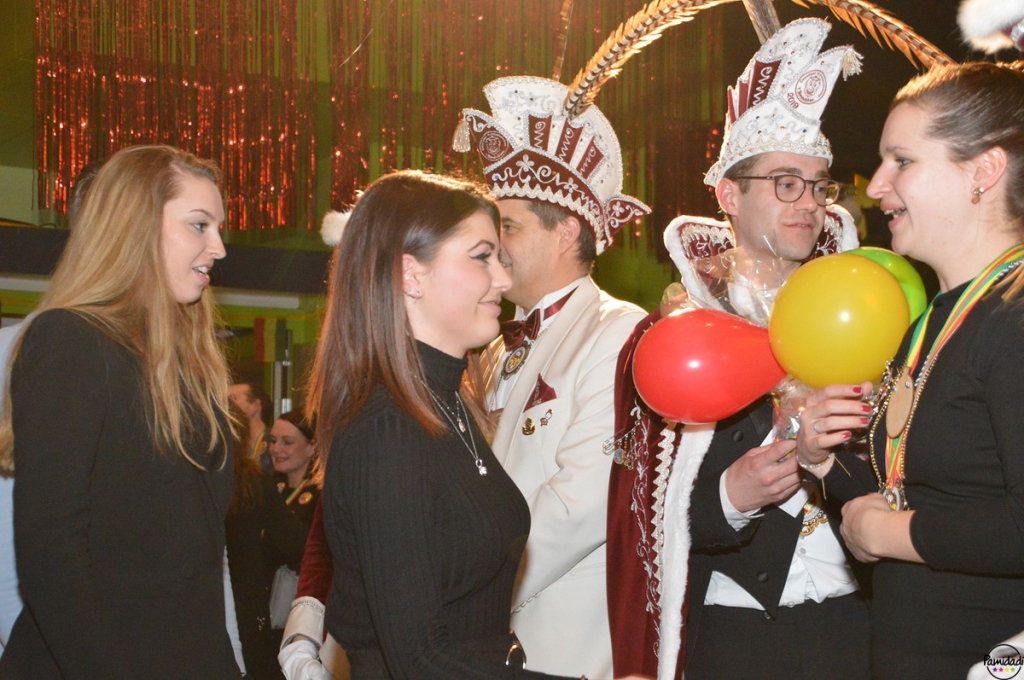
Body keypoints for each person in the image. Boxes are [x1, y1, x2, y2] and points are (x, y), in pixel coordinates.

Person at [306, 169, 647, 680]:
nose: (503, 278)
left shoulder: (447, 402)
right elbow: (420, 659)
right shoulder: (388, 432)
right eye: (481, 256)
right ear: (410, 275)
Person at [605, 19, 868, 680]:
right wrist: (730, 494)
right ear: (729, 193)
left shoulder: (858, 315)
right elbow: (637, 514)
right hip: (735, 634)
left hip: (858, 624)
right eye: (785, 182)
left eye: (819, 184)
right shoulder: (674, 332)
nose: (807, 202)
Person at [796, 60, 1024, 679]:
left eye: (902, 160)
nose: (875, 186)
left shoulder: (1015, 313)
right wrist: (823, 460)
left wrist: (889, 535)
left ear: (984, 171)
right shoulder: (931, 322)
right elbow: (907, 493)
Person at [0, 144, 239, 678]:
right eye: (199, 225)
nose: (218, 247)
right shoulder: (71, 339)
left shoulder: (189, 362)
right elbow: (50, 554)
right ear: (136, 226)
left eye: (219, 229)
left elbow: (198, 559)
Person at [455, 74, 649, 678]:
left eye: (508, 228)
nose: (492, 246)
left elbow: (580, 505)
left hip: (564, 646)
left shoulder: (619, 330)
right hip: (482, 641)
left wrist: (465, 590)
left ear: (567, 231)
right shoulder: (490, 345)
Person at [264, 410, 319, 643]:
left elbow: (300, 548)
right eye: (273, 440)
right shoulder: (271, 486)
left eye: (287, 442)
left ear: (311, 448)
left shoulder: (320, 493)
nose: (276, 449)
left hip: (300, 606)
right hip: (265, 603)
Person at [231, 381, 273, 469]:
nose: (226, 404)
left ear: (254, 405)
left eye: (232, 399)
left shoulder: (273, 444)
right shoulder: (230, 443)